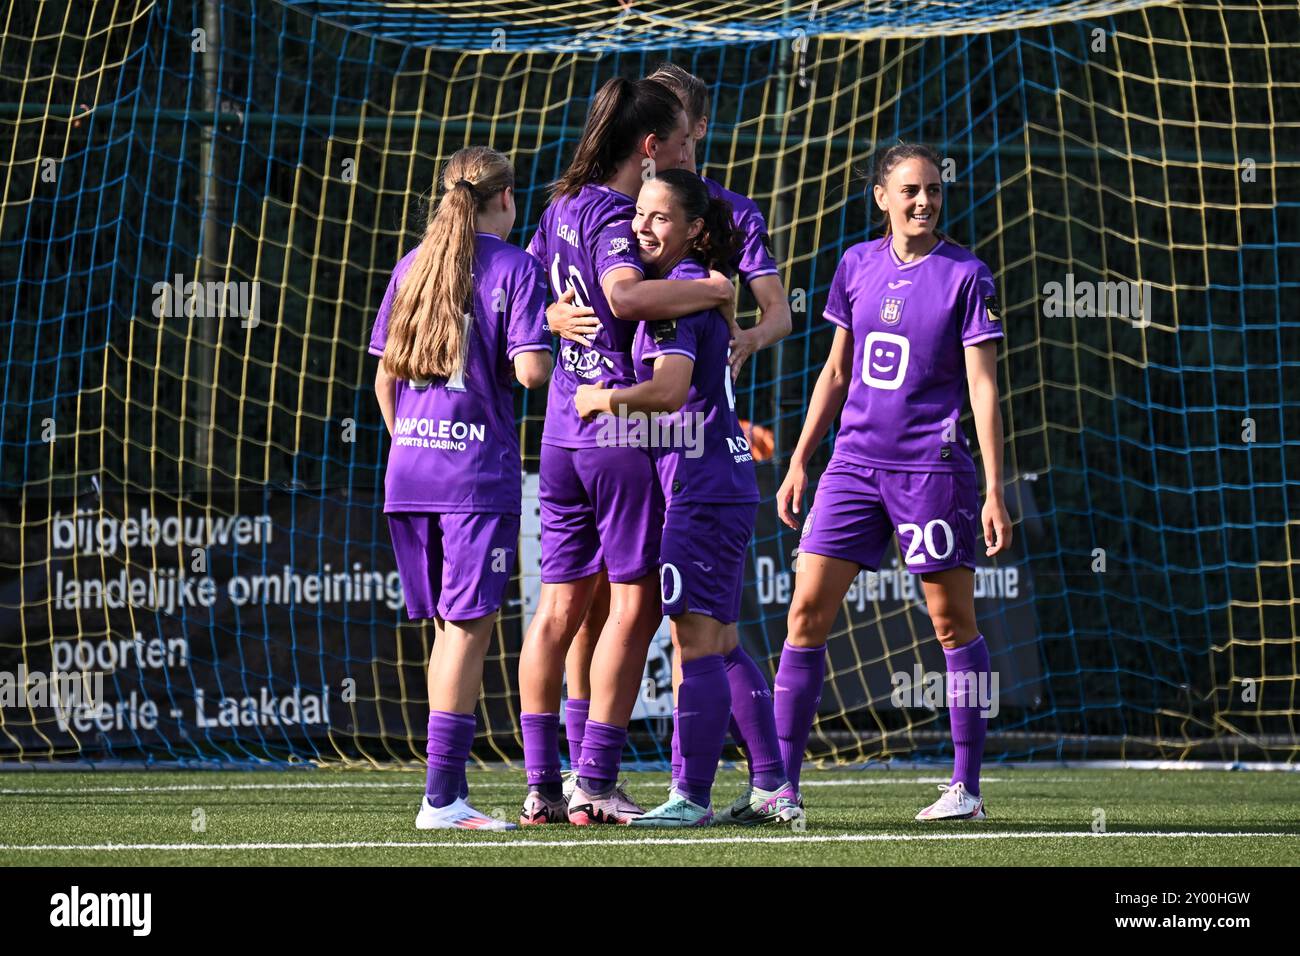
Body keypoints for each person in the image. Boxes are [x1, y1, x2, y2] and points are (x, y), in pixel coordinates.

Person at [562, 62, 795, 823]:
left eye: (656, 217)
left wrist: (602, 395)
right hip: (709, 466)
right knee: (718, 637)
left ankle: (687, 796)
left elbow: (665, 390)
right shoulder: (688, 278)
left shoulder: (674, 292)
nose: (639, 226)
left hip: (696, 469)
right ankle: (773, 785)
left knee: (694, 635)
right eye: (640, 214)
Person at [516, 77, 735, 826]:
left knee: (558, 611)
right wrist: (713, 292)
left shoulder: (557, 205)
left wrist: (546, 310)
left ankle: (544, 783)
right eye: (679, 144)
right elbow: (622, 297)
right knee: (635, 604)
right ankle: (597, 780)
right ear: (649, 149)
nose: (686, 158)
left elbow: (534, 282)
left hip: (556, 436)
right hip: (613, 429)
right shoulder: (613, 211)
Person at [773, 143, 1011, 821]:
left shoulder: (967, 274)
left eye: (933, 190)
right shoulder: (855, 264)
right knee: (805, 614)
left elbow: (983, 385)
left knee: (950, 622)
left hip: (931, 470)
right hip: (852, 466)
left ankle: (965, 789)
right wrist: (799, 458)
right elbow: (837, 372)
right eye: (909, 190)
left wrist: (994, 487)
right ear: (882, 196)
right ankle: (782, 791)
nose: (924, 202)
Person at [371, 146, 554, 830]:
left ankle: (441, 793)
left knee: (450, 631)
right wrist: (555, 331)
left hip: (411, 471)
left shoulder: (410, 266)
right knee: (468, 630)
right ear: (505, 200)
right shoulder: (516, 267)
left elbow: (385, 379)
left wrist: (409, 443)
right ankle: (442, 799)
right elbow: (532, 372)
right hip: (474, 474)